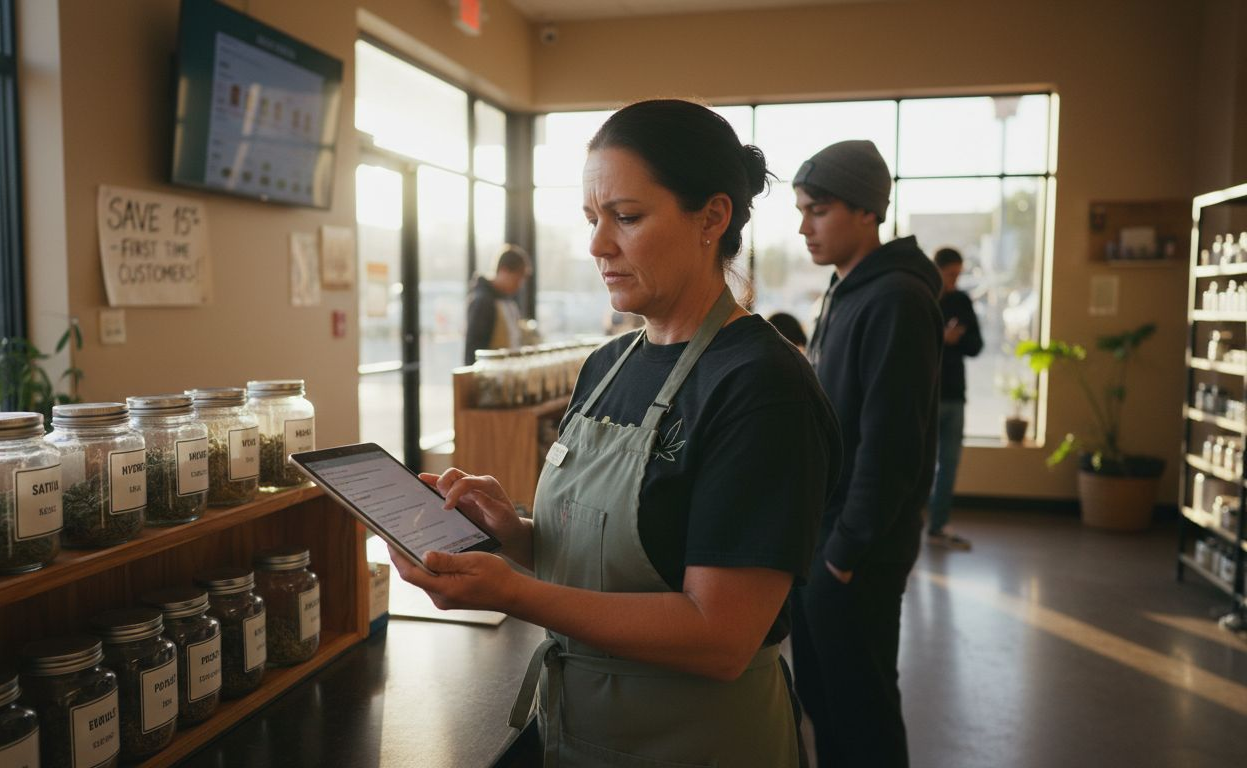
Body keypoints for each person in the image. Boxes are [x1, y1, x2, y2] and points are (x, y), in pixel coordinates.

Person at [391, 99, 840, 767]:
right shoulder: (607, 365)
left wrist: (513, 592)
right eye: (592, 220)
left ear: (712, 217)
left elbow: (721, 636)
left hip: (699, 745)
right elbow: (622, 560)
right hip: (579, 730)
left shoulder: (760, 386)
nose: (599, 245)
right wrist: (515, 533)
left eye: (626, 218)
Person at [788, 139, 943, 768]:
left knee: (862, 708)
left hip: (853, 549)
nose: (804, 227)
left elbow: (893, 444)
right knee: (825, 703)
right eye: (801, 210)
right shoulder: (848, 288)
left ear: (867, 212)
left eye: (818, 210)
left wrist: (845, 553)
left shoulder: (897, 298)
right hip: (822, 539)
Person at [927, 247, 982, 550]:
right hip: (928, 395)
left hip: (955, 395)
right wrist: (942, 340)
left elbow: (976, 345)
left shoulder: (961, 301)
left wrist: (956, 341)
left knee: (949, 463)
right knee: (919, 464)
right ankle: (911, 525)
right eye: (950, 275)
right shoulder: (923, 298)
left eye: (958, 275)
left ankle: (938, 526)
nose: (954, 281)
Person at [464, 245, 531, 364]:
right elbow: (473, 350)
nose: (519, 285)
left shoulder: (508, 301)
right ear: (503, 271)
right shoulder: (483, 301)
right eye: (517, 279)